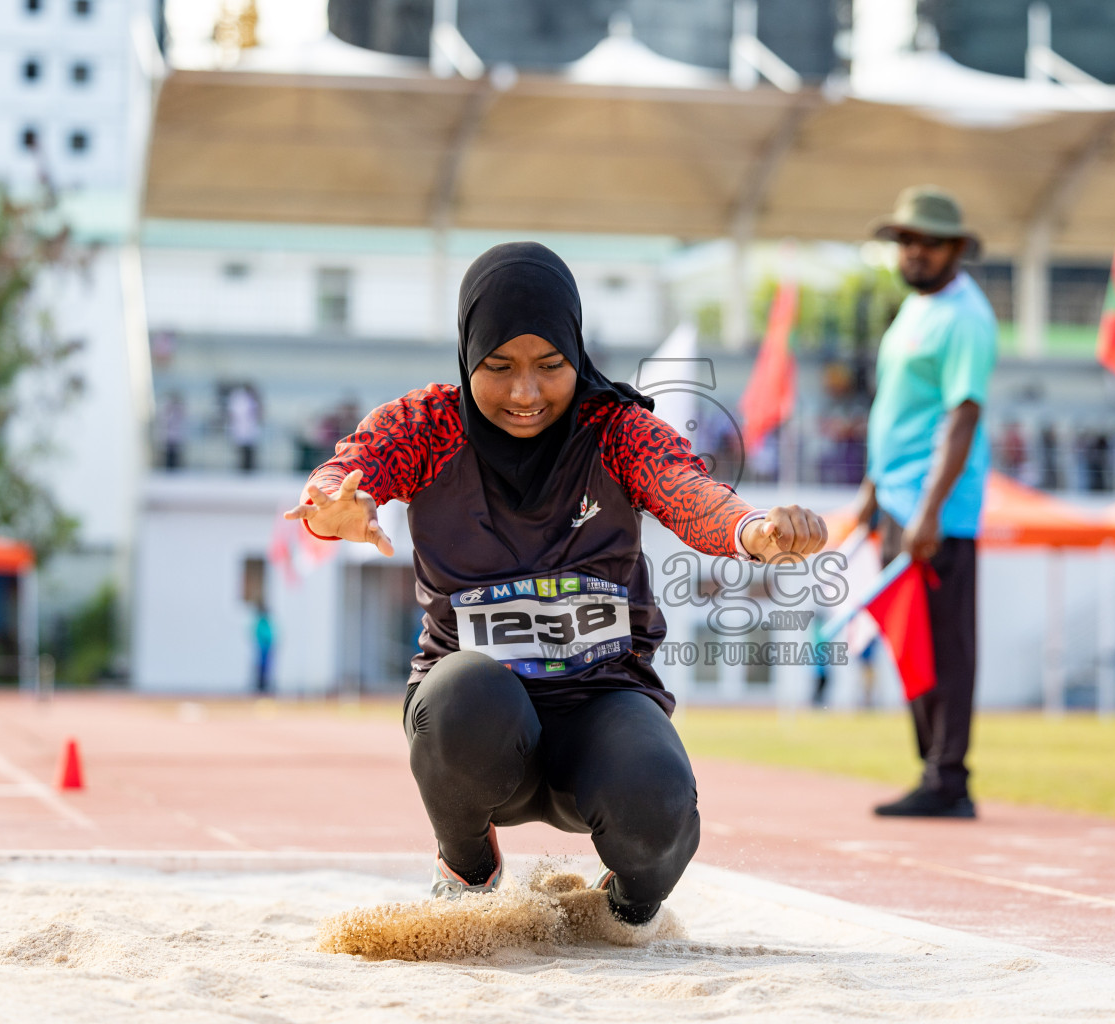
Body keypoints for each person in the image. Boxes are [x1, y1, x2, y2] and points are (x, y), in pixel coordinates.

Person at [284, 242, 826, 935]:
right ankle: (468, 868)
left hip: (600, 707)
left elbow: (687, 491)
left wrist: (753, 532)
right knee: (462, 697)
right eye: (499, 367)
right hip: (478, 728)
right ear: (466, 354)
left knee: (657, 809)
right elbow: (349, 468)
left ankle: (623, 909)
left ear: (578, 353)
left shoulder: (618, 432)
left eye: (550, 367)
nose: (525, 394)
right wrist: (333, 505)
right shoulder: (426, 425)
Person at [850, 186, 996, 819]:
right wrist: (873, 493)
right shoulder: (915, 309)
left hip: (939, 512)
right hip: (899, 503)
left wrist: (932, 510)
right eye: (905, 240)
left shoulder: (966, 317)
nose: (914, 251)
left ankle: (950, 778)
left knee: (945, 644)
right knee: (912, 641)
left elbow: (963, 416)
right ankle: (932, 771)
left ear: (957, 248)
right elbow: (899, 413)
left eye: (928, 241)